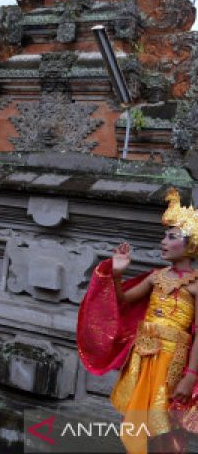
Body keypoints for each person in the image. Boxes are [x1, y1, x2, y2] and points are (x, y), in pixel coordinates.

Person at [77, 188, 198, 454]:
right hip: (142, 357)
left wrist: (190, 376)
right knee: (134, 423)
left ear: (191, 244)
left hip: (172, 362)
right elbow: (122, 303)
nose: (163, 242)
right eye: (164, 236)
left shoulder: (196, 286)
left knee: (164, 424)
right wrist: (117, 274)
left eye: (172, 236)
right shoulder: (155, 277)